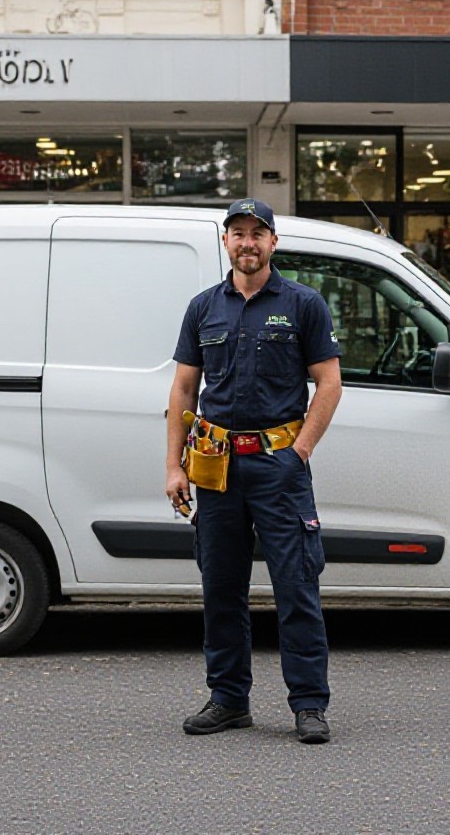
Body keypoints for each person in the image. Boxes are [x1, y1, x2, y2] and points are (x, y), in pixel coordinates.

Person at [166, 198, 343, 744]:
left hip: (278, 467)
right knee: (221, 586)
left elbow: (329, 384)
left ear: (273, 243)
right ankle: (228, 698)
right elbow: (182, 389)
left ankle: (309, 704)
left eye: (257, 233)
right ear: (226, 242)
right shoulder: (203, 309)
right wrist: (174, 465)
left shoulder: (304, 304)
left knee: (296, 587)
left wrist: (299, 453)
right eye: (237, 233)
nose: (247, 242)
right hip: (216, 468)